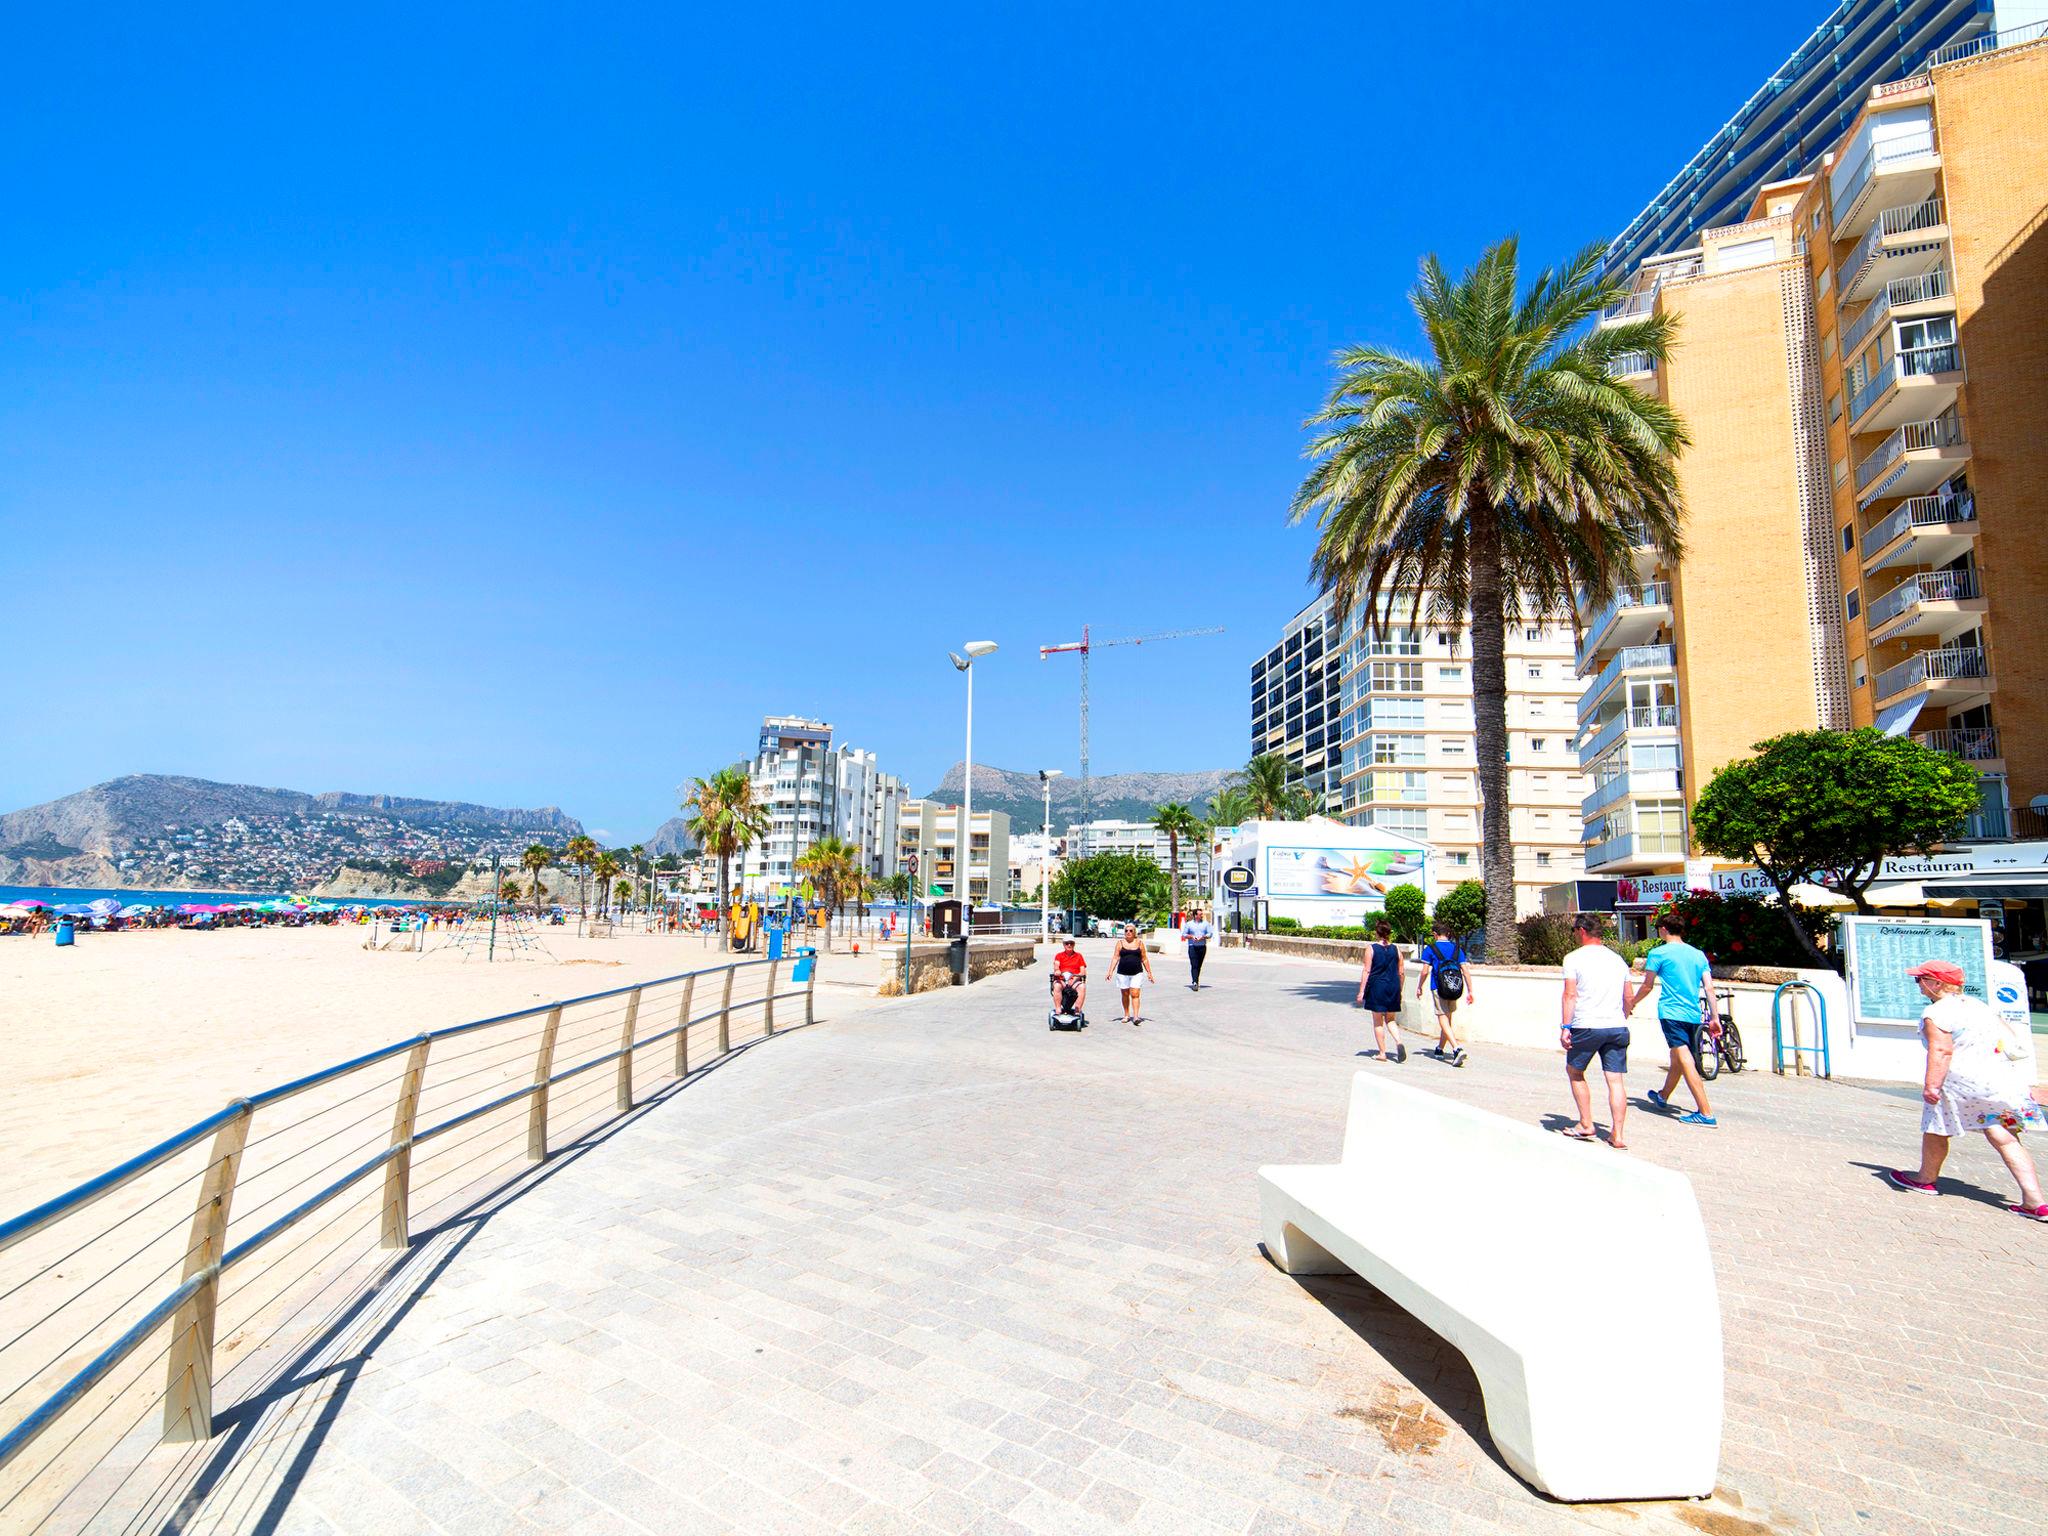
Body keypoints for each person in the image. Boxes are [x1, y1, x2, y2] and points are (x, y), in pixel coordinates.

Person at [1886, 959, 2047, 1219]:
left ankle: (1925, 1178)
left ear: (1937, 983)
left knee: (1936, 1125)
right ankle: (2034, 1201)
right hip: (2000, 1080)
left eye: (1921, 979)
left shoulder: (1936, 1013)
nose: (1918, 985)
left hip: (1962, 1083)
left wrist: (1931, 1085)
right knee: (2003, 1134)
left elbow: (1941, 1050)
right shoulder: (1978, 1006)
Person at [1627, 914, 1718, 1126]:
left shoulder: (1658, 953)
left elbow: (1648, 985)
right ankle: (1663, 1096)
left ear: (1664, 929)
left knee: (1684, 1058)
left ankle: (1705, 1112)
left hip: (1671, 1012)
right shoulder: (1697, 955)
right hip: (1693, 1013)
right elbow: (1709, 987)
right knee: (1677, 1056)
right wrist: (1714, 1017)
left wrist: (1632, 1002)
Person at [1559, 914, 1633, 1149]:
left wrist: (1565, 1027)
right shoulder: (1617, 960)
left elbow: (1570, 994)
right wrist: (1623, 1015)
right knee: (1615, 1080)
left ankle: (1586, 1123)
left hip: (1587, 1025)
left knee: (1575, 1071)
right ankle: (1618, 1135)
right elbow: (1628, 996)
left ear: (1581, 930)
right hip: (1616, 1025)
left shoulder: (1573, 959)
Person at [1414, 919, 1473, 1067]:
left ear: (1435, 934)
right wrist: (1470, 990)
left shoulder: (1430, 949)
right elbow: (1465, 970)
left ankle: (1456, 1048)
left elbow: (1425, 971)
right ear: (1447, 933)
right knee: (1448, 1018)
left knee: (1442, 1018)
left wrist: (1419, 986)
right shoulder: (1457, 949)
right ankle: (1440, 1048)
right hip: (1454, 987)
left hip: (1438, 987)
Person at [1356, 919, 1405, 1062]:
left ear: (1377, 933)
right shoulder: (1396, 949)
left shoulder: (1371, 949)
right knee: (1390, 1019)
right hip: (1393, 986)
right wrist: (1399, 988)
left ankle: (1382, 1053)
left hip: (1377, 987)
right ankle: (1399, 1041)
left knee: (1378, 1021)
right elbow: (1401, 972)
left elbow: (1367, 970)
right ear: (1389, 933)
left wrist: (1361, 991)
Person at [1105, 922, 1155, 1025]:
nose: (1128, 932)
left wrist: (1149, 973)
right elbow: (1115, 957)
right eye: (1126, 931)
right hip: (1122, 973)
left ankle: (1136, 1016)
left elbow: (1144, 959)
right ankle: (1126, 1015)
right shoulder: (1120, 943)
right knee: (1125, 994)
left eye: (1131, 931)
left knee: (1135, 994)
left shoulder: (1140, 943)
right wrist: (1110, 971)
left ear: (1134, 932)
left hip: (1137, 972)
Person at [1050, 936, 1088, 1016]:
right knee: (1057, 985)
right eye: (1067, 943)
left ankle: (1077, 1010)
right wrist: (1057, 971)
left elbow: (1082, 971)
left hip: (1074, 980)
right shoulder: (1059, 956)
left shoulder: (1079, 956)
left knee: (1082, 987)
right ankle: (1058, 1009)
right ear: (1064, 944)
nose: (1069, 945)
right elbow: (1056, 966)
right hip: (1062, 980)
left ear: (1074, 944)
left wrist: (1074, 979)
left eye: (1071, 943)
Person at [1182, 908, 1213, 990]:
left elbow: (1210, 934)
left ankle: (1196, 980)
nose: (1201, 915)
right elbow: (1184, 934)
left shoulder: (1206, 924)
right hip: (1192, 946)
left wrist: (1203, 937)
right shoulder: (1189, 924)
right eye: (1200, 914)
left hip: (1202, 946)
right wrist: (1192, 936)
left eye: (1201, 914)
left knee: (1199, 965)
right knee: (1194, 964)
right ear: (1195, 915)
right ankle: (1195, 982)